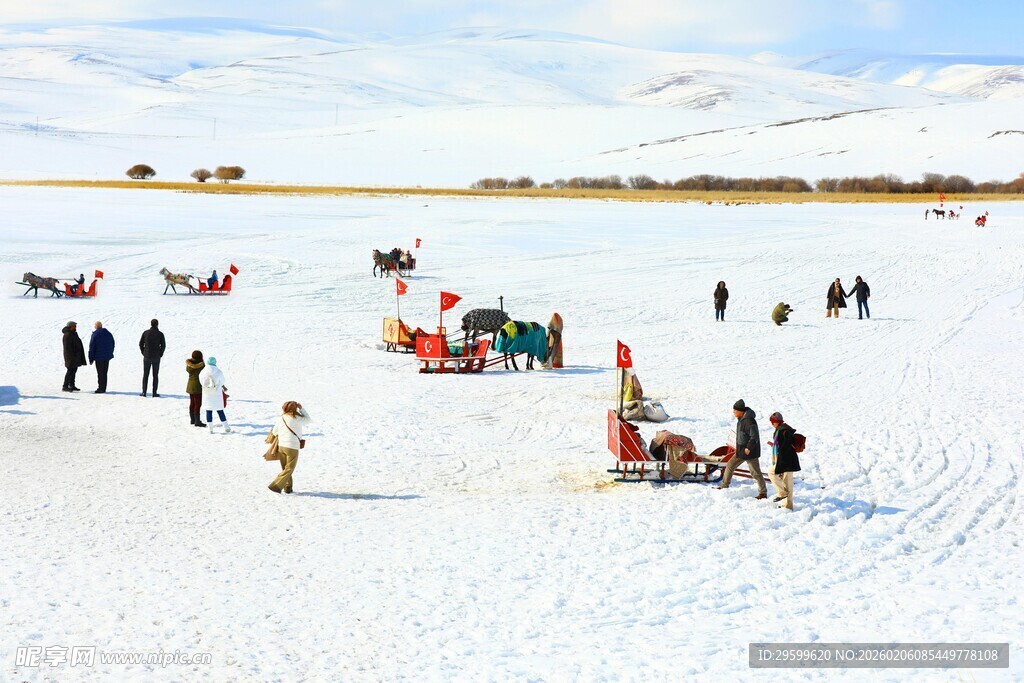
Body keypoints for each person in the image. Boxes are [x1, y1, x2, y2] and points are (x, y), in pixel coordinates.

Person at [718, 399, 767, 499]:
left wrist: (748, 448)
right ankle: (724, 487)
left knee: (755, 473)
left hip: (750, 452)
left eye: (735, 410)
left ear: (741, 411)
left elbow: (754, 436)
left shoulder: (749, 421)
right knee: (730, 465)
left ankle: (763, 493)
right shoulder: (741, 420)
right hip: (741, 451)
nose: (733, 412)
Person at [268, 401, 312, 494]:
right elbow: (308, 420)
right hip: (292, 447)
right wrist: (301, 409)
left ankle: (288, 488)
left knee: (285, 468)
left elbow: (275, 432)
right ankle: (275, 485)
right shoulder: (298, 418)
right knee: (289, 469)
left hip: (281, 446)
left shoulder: (281, 418)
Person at [766, 412, 801, 510]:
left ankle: (785, 499)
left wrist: (781, 464)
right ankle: (787, 504)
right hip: (784, 460)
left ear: (777, 422)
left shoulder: (783, 431)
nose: (772, 424)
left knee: (775, 474)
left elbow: (785, 448)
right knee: (787, 483)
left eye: (773, 422)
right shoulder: (780, 430)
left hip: (787, 461)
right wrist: (774, 445)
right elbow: (782, 446)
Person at [199, 356, 230, 432]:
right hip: (217, 394)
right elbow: (222, 381)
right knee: (220, 410)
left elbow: (201, 381)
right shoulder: (219, 372)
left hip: (207, 394)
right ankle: (226, 427)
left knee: (208, 411)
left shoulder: (203, 371)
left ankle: (210, 429)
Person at [139, 319, 166, 397]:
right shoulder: (160, 334)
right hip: (156, 357)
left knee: (145, 374)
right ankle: (154, 392)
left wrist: (143, 352)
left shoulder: (146, 333)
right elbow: (163, 345)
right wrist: (160, 354)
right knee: (155, 375)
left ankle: (144, 392)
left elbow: (141, 343)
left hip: (147, 356)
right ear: (157, 324)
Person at [88, 321, 115, 393]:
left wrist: (91, 358)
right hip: (107, 357)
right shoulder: (108, 334)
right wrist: (110, 353)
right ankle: (104, 387)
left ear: (96, 326)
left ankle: (100, 388)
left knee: (100, 373)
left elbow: (92, 347)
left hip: (98, 357)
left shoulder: (95, 335)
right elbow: (112, 343)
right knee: (104, 373)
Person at [62, 321, 86, 392]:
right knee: (70, 371)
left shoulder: (73, 334)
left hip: (75, 357)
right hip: (70, 357)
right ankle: (65, 386)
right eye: (74, 326)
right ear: (71, 327)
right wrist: (72, 357)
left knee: (74, 370)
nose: (76, 327)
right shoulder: (67, 335)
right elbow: (67, 348)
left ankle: (72, 385)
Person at [186, 350, 206, 427]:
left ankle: (192, 419)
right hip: (197, 386)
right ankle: (197, 421)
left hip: (190, 385)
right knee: (198, 404)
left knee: (192, 403)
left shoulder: (189, 365)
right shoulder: (201, 365)